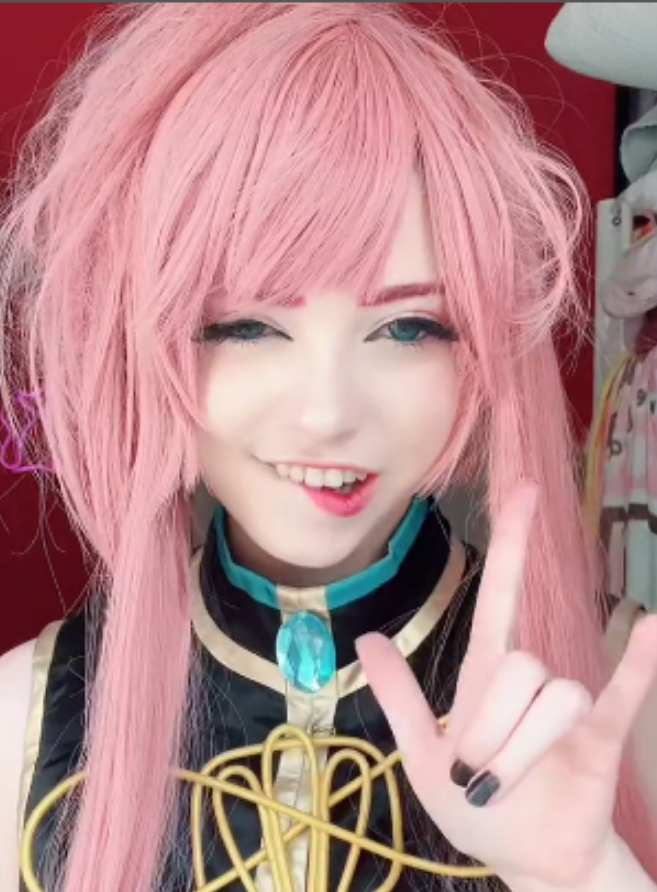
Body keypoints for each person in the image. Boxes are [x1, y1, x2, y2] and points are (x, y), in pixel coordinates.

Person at [0, 4, 656, 892]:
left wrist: (583, 874)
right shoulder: (25, 722)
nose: (326, 413)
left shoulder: (620, 710)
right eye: (245, 325)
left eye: (408, 327)